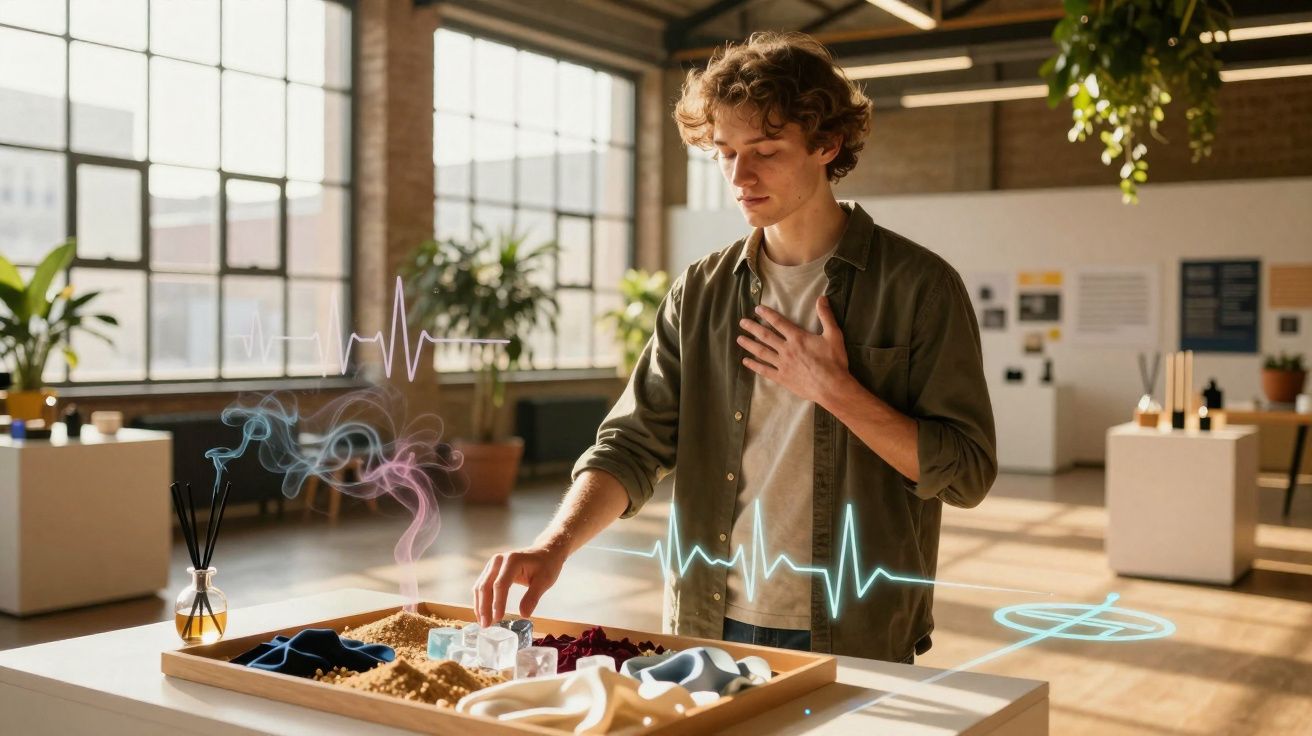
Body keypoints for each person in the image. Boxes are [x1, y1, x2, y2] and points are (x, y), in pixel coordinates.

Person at [473, 31, 996, 663]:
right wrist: (553, 546)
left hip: (855, 630)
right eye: (723, 153)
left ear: (827, 145)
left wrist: (836, 391)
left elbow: (966, 473)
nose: (739, 176)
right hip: (706, 622)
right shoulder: (700, 291)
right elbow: (633, 444)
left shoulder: (920, 287)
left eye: (766, 151)